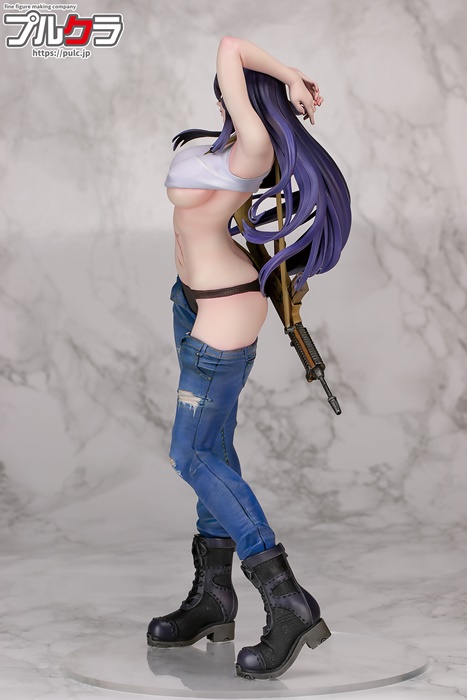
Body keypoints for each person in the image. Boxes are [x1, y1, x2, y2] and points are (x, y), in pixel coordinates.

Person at [147, 36, 351, 680]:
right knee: (216, 446)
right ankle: (214, 595)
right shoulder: (226, 144)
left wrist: (289, 76)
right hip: (191, 301)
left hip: (224, 309)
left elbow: (230, 46)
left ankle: (286, 598)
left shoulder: (253, 146)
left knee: (191, 454)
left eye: (232, 95)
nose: (223, 101)